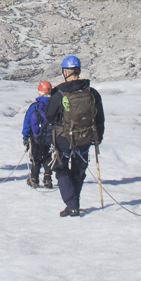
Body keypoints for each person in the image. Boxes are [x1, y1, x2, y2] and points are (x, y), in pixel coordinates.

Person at [44, 55, 104, 217]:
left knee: (62, 170)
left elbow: (49, 116)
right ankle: (74, 203)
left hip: (64, 138)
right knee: (79, 171)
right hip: (85, 138)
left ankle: (72, 205)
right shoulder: (91, 92)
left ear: (65, 72)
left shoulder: (60, 93)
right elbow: (99, 118)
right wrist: (98, 137)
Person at [21, 80, 54, 189]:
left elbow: (27, 123)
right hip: (51, 138)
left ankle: (34, 179)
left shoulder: (34, 107)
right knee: (48, 157)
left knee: (36, 158)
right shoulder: (55, 106)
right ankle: (48, 178)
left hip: (36, 138)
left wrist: (25, 137)